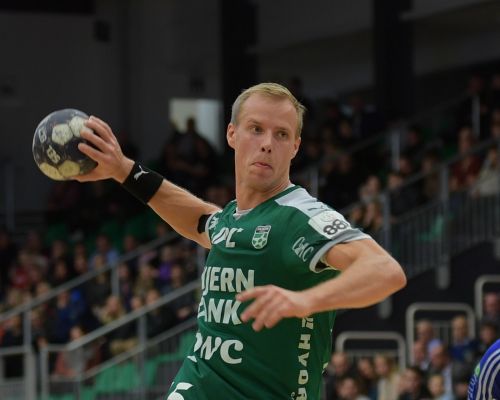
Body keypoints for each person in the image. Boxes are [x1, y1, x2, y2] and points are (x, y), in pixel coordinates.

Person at [76, 82, 406, 400]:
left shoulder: (300, 218)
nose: (267, 143)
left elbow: (385, 271)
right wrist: (123, 169)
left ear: (295, 147)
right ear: (232, 134)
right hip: (200, 384)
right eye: (256, 129)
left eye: (281, 134)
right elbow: (199, 220)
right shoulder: (233, 218)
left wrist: (305, 301)